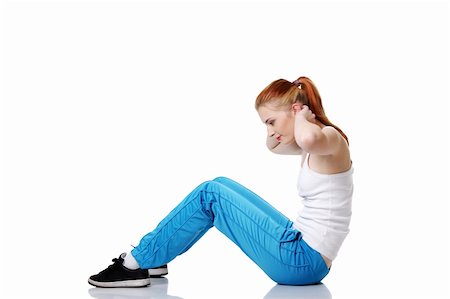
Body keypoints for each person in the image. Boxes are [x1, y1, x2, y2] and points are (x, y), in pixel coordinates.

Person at [88, 76, 353, 287]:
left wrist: (302, 116)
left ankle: (134, 263)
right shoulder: (316, 142)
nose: (270, 131)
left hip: (301, 262)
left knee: (210, 194)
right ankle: (155, 257)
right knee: (220, 183)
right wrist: (284, 123)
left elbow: (305, 138)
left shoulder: (328, 138)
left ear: (295, 110)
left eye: (271, 121)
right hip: (302, 250)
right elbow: (273, 147)